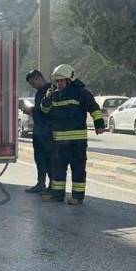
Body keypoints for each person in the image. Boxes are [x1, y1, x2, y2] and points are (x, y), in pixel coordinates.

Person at [39, 64, 106, 205]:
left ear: (70, 80)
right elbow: (44, 111)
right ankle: (57, 195)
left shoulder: (81, 93)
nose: (59, 84)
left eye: (61, 81)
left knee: (78, 169)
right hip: (59, 142)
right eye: (57, 81)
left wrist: (99, 124)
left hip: (77, 142)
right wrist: (46, 99)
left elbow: (94, 108)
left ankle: (77, 196)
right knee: (57, 169)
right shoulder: (54, 95)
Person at [20, 69, 55, 194]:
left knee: (49, 159)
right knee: (39, 158)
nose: (32, 86)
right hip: (39, 131)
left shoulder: (51, 90)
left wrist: (31, 111)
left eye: (32, 83)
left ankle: (53, 186)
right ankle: (41, 183)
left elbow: (48, 110)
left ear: (38, 78)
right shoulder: (40, 92)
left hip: (48, 132)